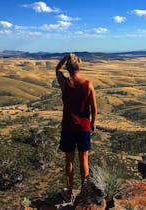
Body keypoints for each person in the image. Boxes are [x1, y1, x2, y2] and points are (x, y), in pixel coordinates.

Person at [55, 53, 97, 202]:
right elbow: (94, 108)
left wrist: (66, 57)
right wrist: (93, 123)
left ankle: (69, 192)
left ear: (68, 67)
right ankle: (85, 192)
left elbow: (56, 69)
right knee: (84, 159)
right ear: (80, 66)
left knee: (69, 161)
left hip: (68, 126)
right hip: (84, 127)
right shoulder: (88, 85)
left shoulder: (64, 83)